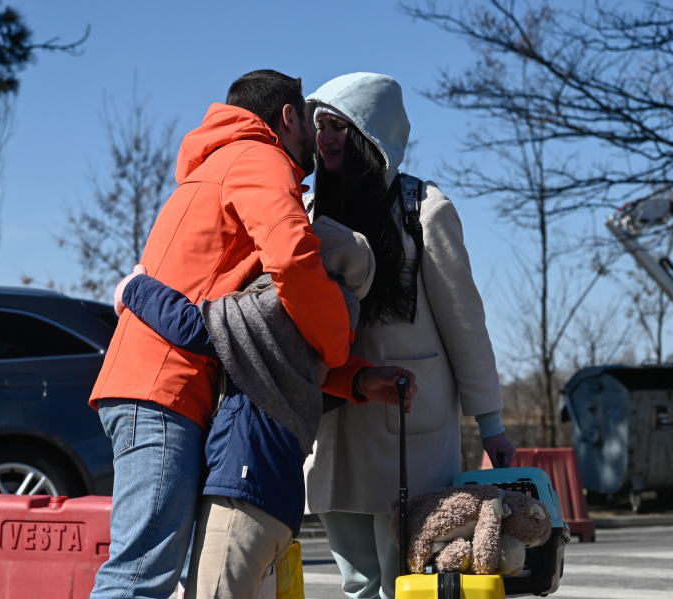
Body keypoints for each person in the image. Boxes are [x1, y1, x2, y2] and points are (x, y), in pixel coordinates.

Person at [89, 70, 359, 599]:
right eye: (309, 120)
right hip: (167, 389)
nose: (313, 137)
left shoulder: (213, 168)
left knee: (144, 572)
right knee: (140, 577)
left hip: (153, 385)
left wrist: (356, 379)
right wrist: (337, 339)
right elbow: (294, 260)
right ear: (287, 116)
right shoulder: (259, 159)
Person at [112, 216, 417, 599]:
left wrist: (135, 288)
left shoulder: (283, 311)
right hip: (275, 506)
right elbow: (317, 382)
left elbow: (196, 328)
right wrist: (360, 380)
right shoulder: (326, 332)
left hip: (244, 495)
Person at [302, 73, 517, 599]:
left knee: (410, 574)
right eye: (320, 126)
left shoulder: (426, 210)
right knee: (357, 583)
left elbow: (465, 322)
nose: (326, 138)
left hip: (407, 427)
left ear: (373, 135)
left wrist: (491, 423)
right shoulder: (305, 213)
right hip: (334, 425)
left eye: (340, 127)